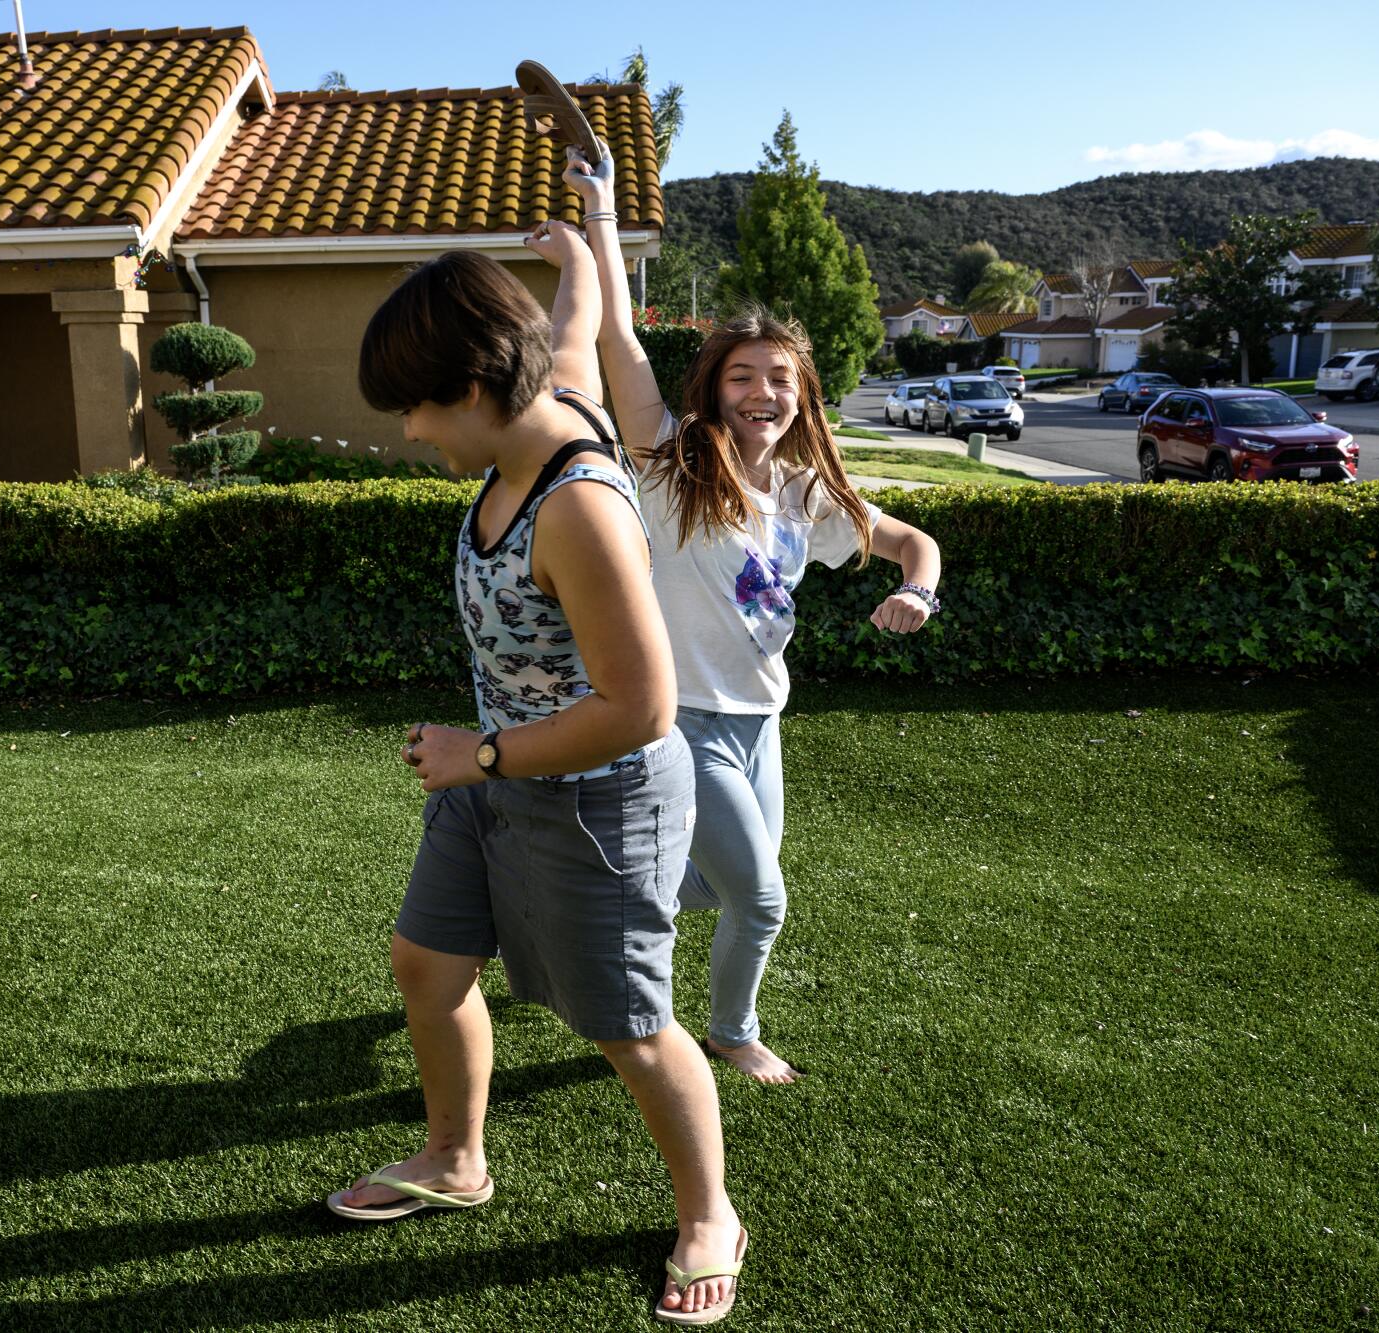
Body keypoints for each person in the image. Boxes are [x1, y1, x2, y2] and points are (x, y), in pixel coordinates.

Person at [328, 243, 747, 1324]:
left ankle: (709, 1214)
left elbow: (641, 705)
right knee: (425, 960)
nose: (409, 432)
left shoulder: (576, 506)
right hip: (495, 769)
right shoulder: (545, 394)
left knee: (630, 1027)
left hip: (595, 797)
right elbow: (570, 325)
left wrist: (480, 753)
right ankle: (454, 1156)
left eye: (414, 410)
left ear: (469, 388)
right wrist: (582, 243)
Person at [541, 149, 944, 1086]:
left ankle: (569, 922)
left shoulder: (806, 493)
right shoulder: (675, 466)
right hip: (679, 720)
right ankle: (730, 1030)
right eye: (742, 377)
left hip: (761, 721)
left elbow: (910, 542)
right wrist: (600, 219)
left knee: (691, 885)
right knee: (759, 900)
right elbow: (623, 354)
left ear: (802, 397)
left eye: (779, 380)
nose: (761, 393)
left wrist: (917, 589)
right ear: (714, 389)